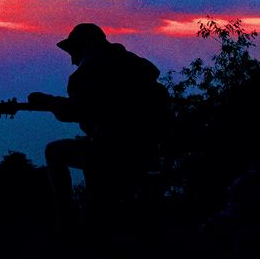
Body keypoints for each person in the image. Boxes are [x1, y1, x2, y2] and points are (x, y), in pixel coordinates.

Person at [28, 23, 169, 210]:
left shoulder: (87, 73)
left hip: (112, 151)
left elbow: (76, 110)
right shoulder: (136, 66)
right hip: (147, 150)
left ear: (84, 47)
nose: (72, 60)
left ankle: (65, 215)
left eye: (73, 51)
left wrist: (50, 102)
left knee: (54, 152)